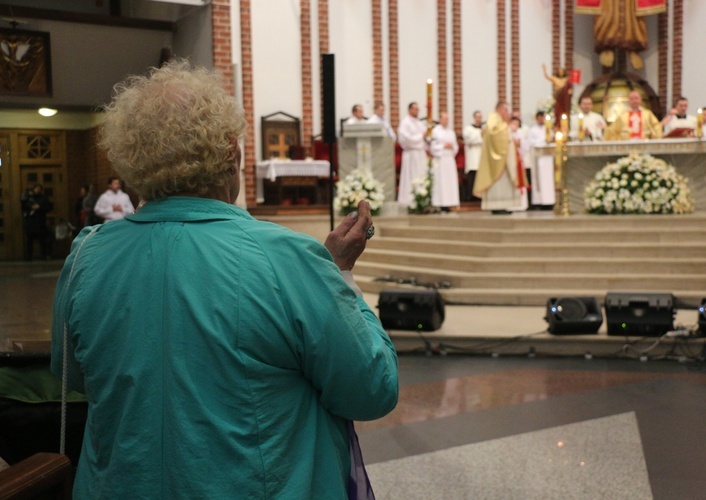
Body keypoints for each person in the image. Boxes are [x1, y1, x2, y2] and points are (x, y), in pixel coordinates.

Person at [50, 60, 399, 499]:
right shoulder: (287, 259)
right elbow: (371, 389)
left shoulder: (86, 255)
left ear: (131, 160)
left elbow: (75, 375)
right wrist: (338, 276)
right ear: (232, 154)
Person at [472, 101, 528, 214]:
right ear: (500, 110)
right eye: (506, 110)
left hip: (504, 159)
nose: (508, 113)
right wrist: (509, 139)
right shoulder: (494, 119)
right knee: (498, 184)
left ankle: (503, 206)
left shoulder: (500, 121)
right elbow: (495, 135)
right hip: (497, 160)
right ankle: (497, 206)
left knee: (504, 184)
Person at [397, 101, 428, 206]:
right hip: (411, 153)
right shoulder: (405, 122)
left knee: (421, 175)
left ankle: (422, 198)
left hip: (420, 153)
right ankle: (409, 201)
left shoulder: (419, 122)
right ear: (409, 109)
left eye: (418, 109)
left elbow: (426, 136)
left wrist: (427, 136)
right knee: (411, 177)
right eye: (415, 109)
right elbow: (405, 138)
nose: (417, 111)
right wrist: (421, 136)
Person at [429, 112, 460, 211]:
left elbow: (456, 146)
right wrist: (443, 146)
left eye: (448, 119)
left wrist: (452, 147)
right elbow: (432, 146)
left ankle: (450, 203)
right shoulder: (435, 131)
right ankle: (440, 203)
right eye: (445, 119)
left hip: (449, 159)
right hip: (440, 159)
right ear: (440, 119)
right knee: (441, 182)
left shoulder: (451, 132)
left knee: (449, 182)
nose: (446, 121)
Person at [525, 111, 555, 209]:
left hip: (548, 158)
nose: (542, 119)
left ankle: (550, 201)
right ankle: (538, 202)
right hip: (538, 159)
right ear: (537, 118)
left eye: (543, 117)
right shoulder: (532, 130)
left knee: (549, 180)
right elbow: (530, 142)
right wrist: (543, 141)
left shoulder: (549, 129)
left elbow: (553, 139)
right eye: (540, 117)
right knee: (538, 180)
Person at [20, 184, 51, 260]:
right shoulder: (29, 198)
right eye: (36, 188)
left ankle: (44, 256)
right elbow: (23, 206)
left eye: (39, 189)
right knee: (29, 241)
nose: (37, 190)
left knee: (42, 241)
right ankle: (29, 257)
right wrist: (31, 207)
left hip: (40, 222)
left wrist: (39, 207)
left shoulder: (44, 198)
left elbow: (48, 207)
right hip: (30, 222)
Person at [462, 111, 484, 201]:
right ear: (474, 118)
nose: (479, 119)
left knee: (481, 177)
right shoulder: (468, 129)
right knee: (472, 177)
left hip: (482, 156)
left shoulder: (484, 128)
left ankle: (479, 196)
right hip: (473, 156)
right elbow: (469, 140)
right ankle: (470, 196)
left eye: (480, 117)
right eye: (477, 117)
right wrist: (480, 134)